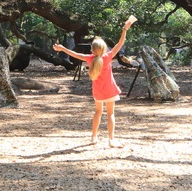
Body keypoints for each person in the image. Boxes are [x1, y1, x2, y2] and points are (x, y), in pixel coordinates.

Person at [54, 15, 136, 146]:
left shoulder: (89, 58)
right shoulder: (108, 56)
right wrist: (125, 29)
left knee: (98, 112)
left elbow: (74, 54)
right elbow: (120, 43)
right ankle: (111, 139)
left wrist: (62, 48)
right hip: (110, 90)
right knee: (111, 114)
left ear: (92, 49)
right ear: (104, 49)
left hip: (98, 91)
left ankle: (93, 137)